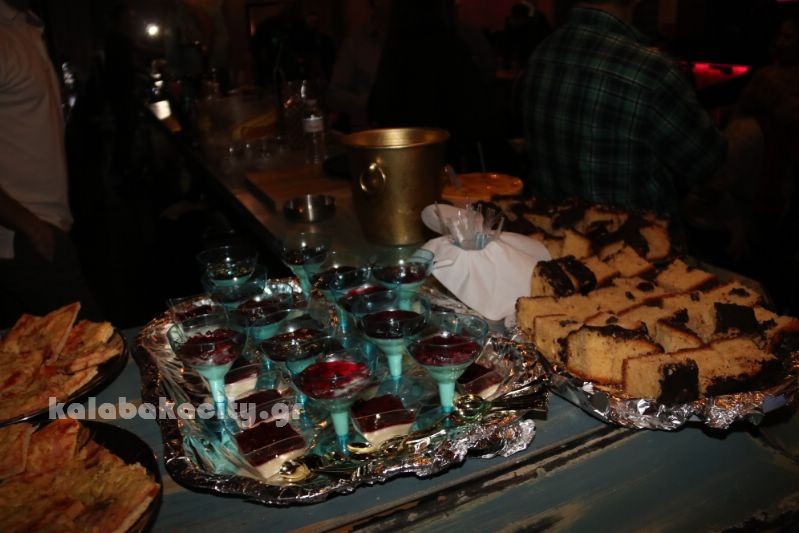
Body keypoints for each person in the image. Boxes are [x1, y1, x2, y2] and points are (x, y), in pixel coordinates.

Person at [522, 0, 727, 219]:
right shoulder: (651, 69)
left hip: (552, 231)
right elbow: (710, 162)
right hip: (635, 236)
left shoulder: (541, 53)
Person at [0, 0, 102, 325]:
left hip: (41, 227)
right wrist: (28, 225)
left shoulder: (27, 25)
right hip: (22, 235)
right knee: (95, 346)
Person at [368, 0, 494, 170]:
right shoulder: (450, 46)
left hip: (398, 162)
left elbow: (377, 108)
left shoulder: (394, 48)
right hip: (445, 162)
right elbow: (477, 111)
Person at [326, 0, 390, 132]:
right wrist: (372, 103)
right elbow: (334, 95)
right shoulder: (355, 44)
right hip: (370, 131)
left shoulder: (417, 39)